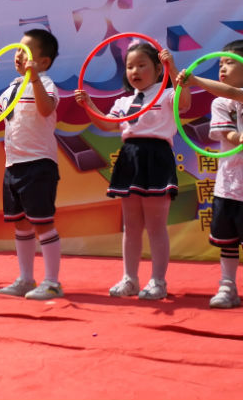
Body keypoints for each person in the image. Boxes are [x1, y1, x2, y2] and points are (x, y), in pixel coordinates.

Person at [75, 42, 189, 300]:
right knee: (131, 226)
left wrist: (173, 69)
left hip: (156, 157)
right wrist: (88, 105)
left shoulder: (167, 95)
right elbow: (107, 125)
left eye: (141, 65)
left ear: (158, 69)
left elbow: (185, 102)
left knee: (156, 226)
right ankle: (130, 279)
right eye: (129, 66)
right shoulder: (123, 101)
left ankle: (158, 281)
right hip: (130, 157)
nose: (134, 71)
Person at [176, 39, 243, 312]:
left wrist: (195, 80)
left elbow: (235, 93)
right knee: (227, 238)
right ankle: (227, 287)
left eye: (230, 62)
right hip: (227, 181)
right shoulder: (219, 103)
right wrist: (239, 137)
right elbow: (226, 133)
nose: (222, 68)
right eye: (220, 63)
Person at [0, 29, 66, 300]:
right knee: (21, 225)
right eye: (17, 50)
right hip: (13, 165)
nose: (18, 55)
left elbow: (46, 109)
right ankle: (25, 278)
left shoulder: (45, 84)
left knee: (42, 224)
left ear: (43, 62)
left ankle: (52, 282)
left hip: (39, 164)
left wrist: (34, 78)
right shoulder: (13, 87)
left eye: (26, 52)